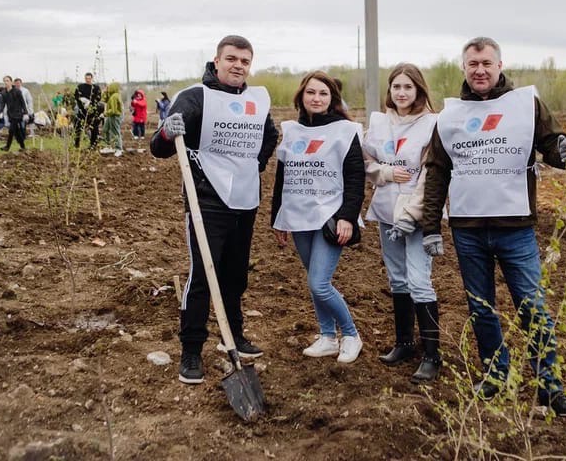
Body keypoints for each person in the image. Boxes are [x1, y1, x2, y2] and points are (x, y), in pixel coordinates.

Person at [420, 37, 566, 417]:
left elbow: (551, 143)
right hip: (468, 228)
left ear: (499, 65)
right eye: (473, 63)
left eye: (486, 63)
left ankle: (550, 388)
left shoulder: (525, 105)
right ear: (464, 67)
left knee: (533, 307)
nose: (480, 70)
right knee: (482, 309)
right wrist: (431, 226)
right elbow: (437, 172)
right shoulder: (451, 116)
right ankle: (495, 375)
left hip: (515, 227)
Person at [149, 35, 279, 384]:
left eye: (245, 61)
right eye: (232, 59)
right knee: (203, 275)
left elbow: (270, 135)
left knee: (235, 275)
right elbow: (158, 147)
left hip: (246, 200)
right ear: (217, 61)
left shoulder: (256, 100)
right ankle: (191, 351)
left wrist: (257, 163)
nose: (239, 66)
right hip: (206, 199)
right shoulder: (195, 98)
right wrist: (166, 133)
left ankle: (233, 336)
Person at [271, 71, 365, 364]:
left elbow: (355, 176)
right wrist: (277, 218)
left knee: (319, 283)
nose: (316, 98)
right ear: (301, 96)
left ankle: (350, 335)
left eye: (323, 93)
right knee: (313, 279)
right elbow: (282, 177)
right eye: (311, 92)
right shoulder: (293, 131)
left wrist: (348, 216)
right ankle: (327, 337)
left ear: (332, 99)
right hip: (299, 216)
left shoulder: (344, 130)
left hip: (330, 217)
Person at [363, 63, 441, 383]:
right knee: (397, 279)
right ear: (390, 90)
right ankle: (404, 343)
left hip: (416, 215)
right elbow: (365, 159)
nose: (402, 93)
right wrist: (383, 172)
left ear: (419, 90)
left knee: (419, 280)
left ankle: (433, 355)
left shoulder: (432, 124)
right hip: (385, 210)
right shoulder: (379, 123)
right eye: (397, 87)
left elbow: (431, 174)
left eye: (408, 87)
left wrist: (413, 214)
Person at [74, 72, 102, 148]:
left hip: (92, 111)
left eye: (89, 78)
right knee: (77, 126)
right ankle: (76, 144)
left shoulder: (96, 88)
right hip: (82, 110)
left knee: (94, 127)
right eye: (86, 78)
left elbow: (98, 98)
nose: (88, 80)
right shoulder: (80, 87)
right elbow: (76, 97)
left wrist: (90, 103)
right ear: (84, 78)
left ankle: (93, 144)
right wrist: (82, 107)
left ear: (92, 79)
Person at [0, 76, 26, 152]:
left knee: (11, 130)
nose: (6, 82)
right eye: (4, 81)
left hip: (18, 114)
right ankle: (23, 147)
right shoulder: (4, 92)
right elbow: (2, 104)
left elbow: (23, 103)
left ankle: (7, 147)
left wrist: (25, 113)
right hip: (10, 114)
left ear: (11, 82)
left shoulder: (17, 91)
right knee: (16, 132)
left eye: (7, 81)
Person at [100, 83, 124, 156]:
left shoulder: (114, 96)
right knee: (105, 130)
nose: (108, 88)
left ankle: (119, 149)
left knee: (115, 132)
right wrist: (105, 92)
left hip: (115, 116)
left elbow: (113, 110)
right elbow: (104, 100)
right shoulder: (112, 95)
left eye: (109, 87)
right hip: (111, 116)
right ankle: (108, 146)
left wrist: (104, 114)